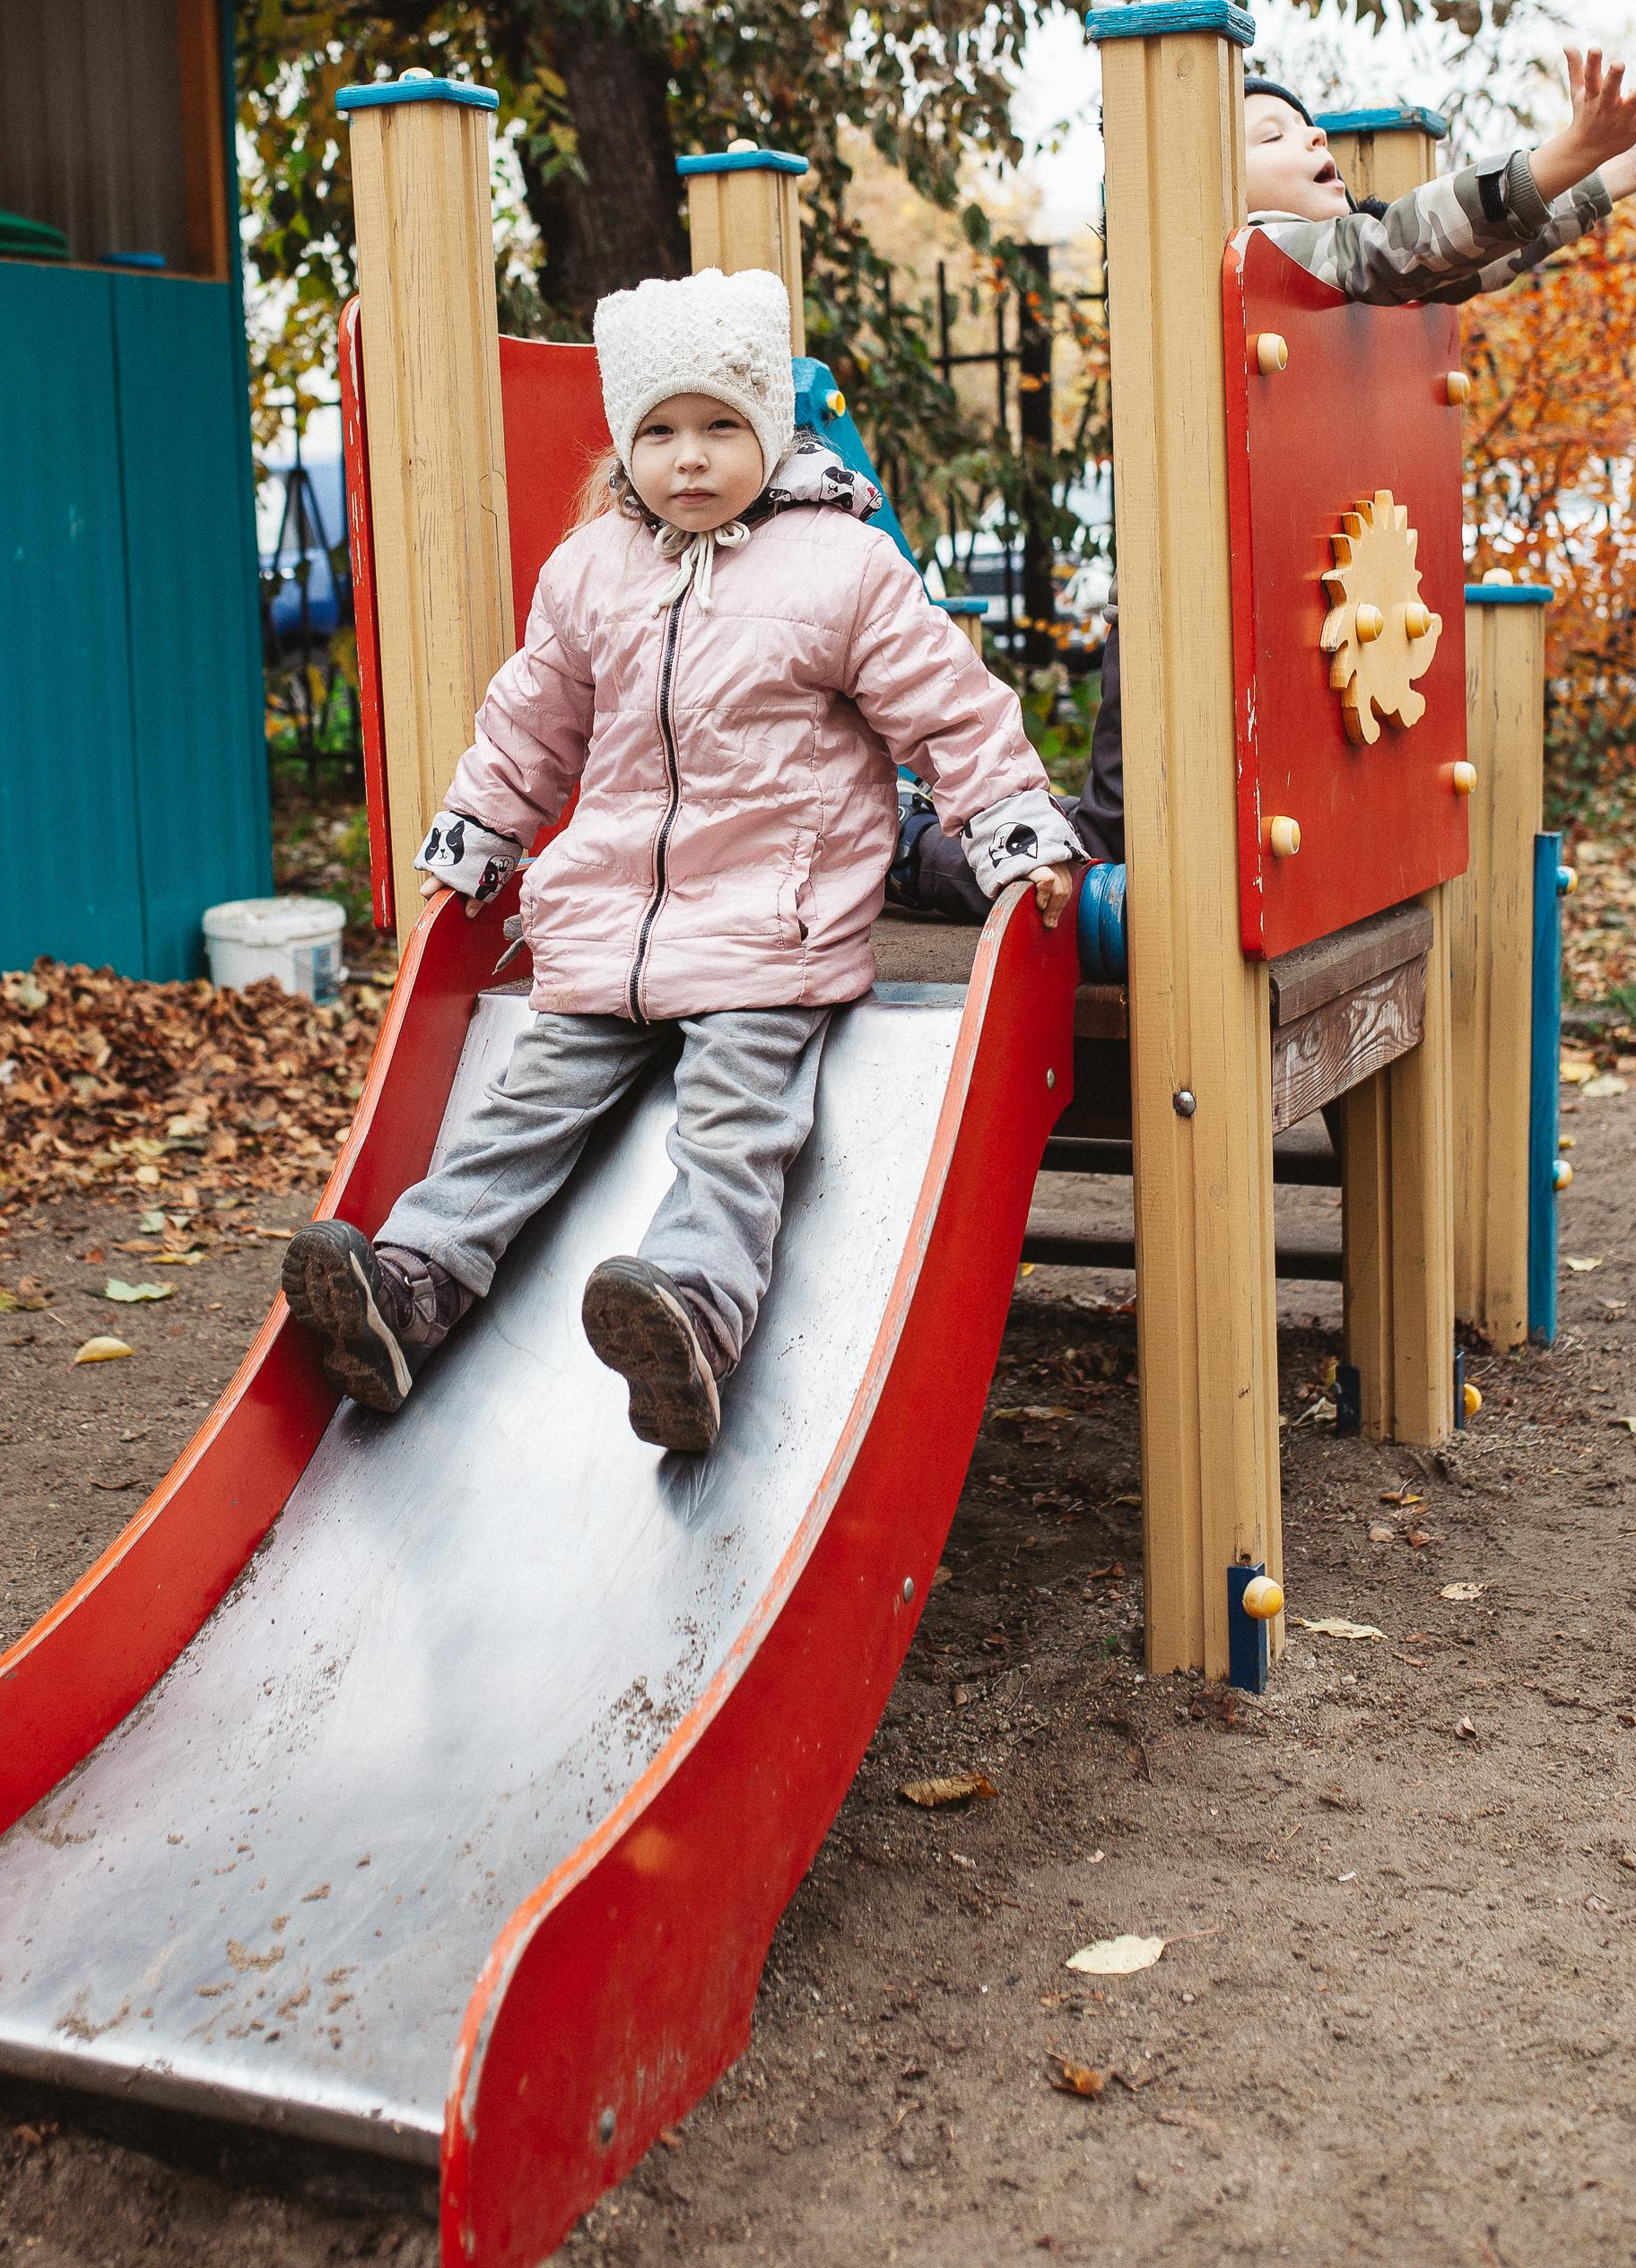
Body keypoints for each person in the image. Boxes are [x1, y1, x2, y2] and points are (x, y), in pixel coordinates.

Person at [282, 268, 1084, 1455]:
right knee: (518, 1110)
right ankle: (410, 1290)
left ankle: (689, 1322)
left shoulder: (842, 569)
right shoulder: (590, 571)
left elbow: (948, 709)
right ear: (625, 442)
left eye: (721, 428)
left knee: (736, 1123)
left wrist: (1012, 829)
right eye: (660, 432)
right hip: (609, 926)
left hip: (771, 929)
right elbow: (529, 724)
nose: (690, 459)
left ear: (772, 430)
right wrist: (479, 838)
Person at [889, 46, 1636, 906]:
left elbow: (1452, 264)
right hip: (1190, 635)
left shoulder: (1325, 280)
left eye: (1308, 124)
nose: (1314, 136)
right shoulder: (1252, 251)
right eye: (1274, 133)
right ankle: (907, 848)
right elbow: (1401, 242)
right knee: (1109, 851)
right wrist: (1570, 157)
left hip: (1282, 620)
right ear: (1205, 182)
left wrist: (1608, 179)